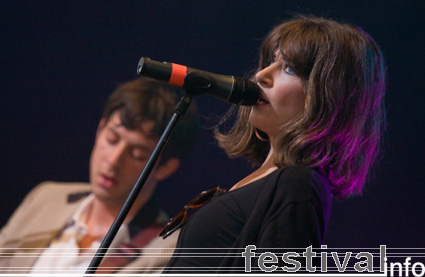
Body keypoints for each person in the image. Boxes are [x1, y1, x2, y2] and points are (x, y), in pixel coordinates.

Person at [162, 15, 386, 274]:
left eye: (289, 69)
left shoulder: (299, 184)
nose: (261, 75)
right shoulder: (269, 181)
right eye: (270, 61)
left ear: (328, 98)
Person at [0, 77, 199, 274]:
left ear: (166, 167)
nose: (113, 161)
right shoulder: (46, 196)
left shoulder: (167, 250)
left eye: (137, 154)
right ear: (100, 129)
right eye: (112, 139)